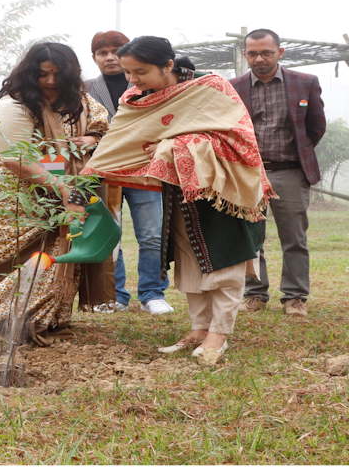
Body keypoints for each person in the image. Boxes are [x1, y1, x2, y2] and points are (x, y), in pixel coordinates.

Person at [80, 36, 274, 365]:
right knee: (191, 259)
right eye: (128, 72)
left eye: (140, 72)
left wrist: (173, 146)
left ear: (168, 66)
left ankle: (218, 336)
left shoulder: (210, 88)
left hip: (223, 189)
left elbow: (236, 134)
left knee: (224, 259)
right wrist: (89, 173)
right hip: (180, 192)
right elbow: (120, 141)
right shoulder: (137, 97)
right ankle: (199, 329)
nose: (132, 80)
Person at [0, 42, 110, 347]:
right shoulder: (12, 106)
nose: (51, 81)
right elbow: (16, 160)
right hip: (12, 197)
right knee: (8, 259)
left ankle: (45, 320)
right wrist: (64, 188)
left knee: (57, 252)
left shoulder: (82, 103)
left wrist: (89, 138)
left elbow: (104, 130)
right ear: (29, 73)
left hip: (63, 189)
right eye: (43, 74)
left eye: (57, 74)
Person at [228, 29, 326, 318]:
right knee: (250, 238)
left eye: (267, 52)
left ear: (280, 52)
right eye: (253, 53)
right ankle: (255, 294)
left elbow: (315, 127)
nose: (260, 58)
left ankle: (295, 298)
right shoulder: (233, 87)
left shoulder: (305, 83)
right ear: (245, 54)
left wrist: (297, 155)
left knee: (294, 238)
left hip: (290, 173)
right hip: (248, 174)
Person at [83, 30, 170, 315]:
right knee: (109, 234)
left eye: (115, 50)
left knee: (152, 234)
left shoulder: (151, 84)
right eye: (102, 52)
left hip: (145, 170)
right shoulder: (84, 88)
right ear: (94, 58)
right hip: (103, 172)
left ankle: (153, 293)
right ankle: (115, 295)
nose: (109, 57)